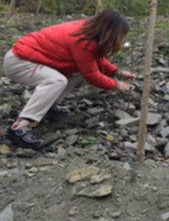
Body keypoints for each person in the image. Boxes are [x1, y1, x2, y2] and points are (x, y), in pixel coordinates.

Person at [3, 9, 135, 149]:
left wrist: (116, 73)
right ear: (110, 31)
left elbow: (93, 59)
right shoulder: (83, 40)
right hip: (19, 61)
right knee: (56, 81)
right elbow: (92, 76)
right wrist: (116, 84)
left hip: (32, 58)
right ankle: (19, 127)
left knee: (78, 72)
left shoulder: (89, 31)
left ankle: (47, 108)